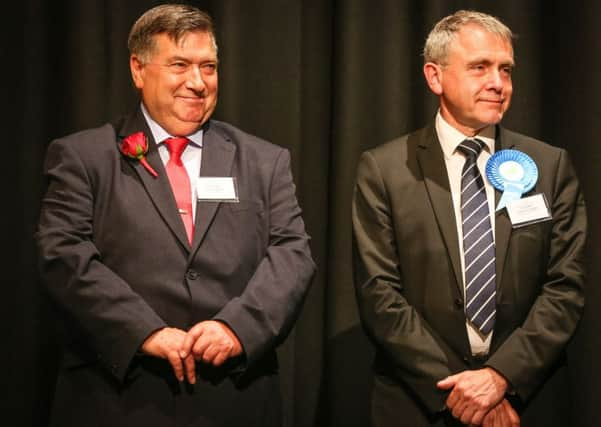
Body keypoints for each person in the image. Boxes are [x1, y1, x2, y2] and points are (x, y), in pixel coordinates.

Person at [36, 4, 315, 427]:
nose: (198, 82)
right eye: (180, 65)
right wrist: (145, 331)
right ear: (138, 69)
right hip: (118, 398)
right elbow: (64, 254)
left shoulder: (264, 161)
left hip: (235, 398)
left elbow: (293, 254)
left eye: (209, 67)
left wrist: (237, 328)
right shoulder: (83, 156)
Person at [352, 10, 586, 427]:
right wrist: (464, 390)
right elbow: (379, 295)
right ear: (434, 77)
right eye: (480, 67)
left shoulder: (549, 165)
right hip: (422, 402)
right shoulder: (384, 169)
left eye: (506, 70)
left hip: (526, 399)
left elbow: (565, 287)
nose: (498, 83)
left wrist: (501, 377)